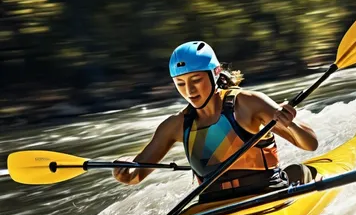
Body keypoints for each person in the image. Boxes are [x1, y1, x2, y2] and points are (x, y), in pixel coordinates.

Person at [114, 41, 320, 204]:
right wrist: (124, 169)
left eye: (196, 80)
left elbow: (310, 144)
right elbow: (135, 175)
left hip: (267, 193)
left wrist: (290, 123)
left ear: (215, 73)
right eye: (180, 83)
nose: (189, 90)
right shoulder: (175, 125)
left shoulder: (247, 103)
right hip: (211, 205)